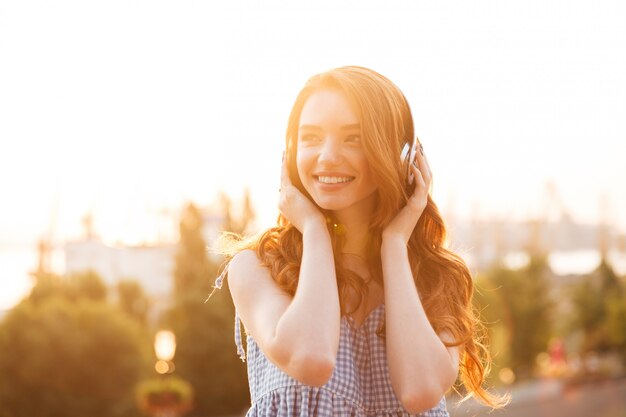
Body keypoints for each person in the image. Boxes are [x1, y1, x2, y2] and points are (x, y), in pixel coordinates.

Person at [215, 66, 507, 416]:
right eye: (310, 138)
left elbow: (420, 392)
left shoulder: (433, 278)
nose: (326, 156)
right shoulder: (256, 267)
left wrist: (395, 244)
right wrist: (314, 230)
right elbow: (311, 358)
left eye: (352, 138)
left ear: (401, 155)